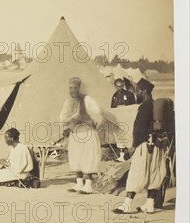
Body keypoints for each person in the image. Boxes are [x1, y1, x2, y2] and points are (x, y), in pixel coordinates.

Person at [113, 78, 168, 214]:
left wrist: (133, 146)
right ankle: (149, 205)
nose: (136, 93)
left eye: (138, 90)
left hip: (144, 145)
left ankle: (126, 205)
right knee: (154, 174)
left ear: (143, 91)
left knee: (137, 172)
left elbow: (140, 129)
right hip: (157, 145)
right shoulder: (156, 106)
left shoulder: (144, 106)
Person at [60, 76, 103, 194]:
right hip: (76, 133)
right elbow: (63, 118)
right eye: (70, 87)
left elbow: (97, 114)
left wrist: (84, 118)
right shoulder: (69, 102)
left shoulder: (87, 100)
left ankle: (88, 184)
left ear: (81, 88)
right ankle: (79, 183)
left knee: (87, 157)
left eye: (75, 87)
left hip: (87, 133)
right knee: (76, 156)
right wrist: (73, 119)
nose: (73, 90)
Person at [110, 77, 137, 161]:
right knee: (119, 136)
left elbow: (134, 107)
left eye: (121, 86)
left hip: (128, 118)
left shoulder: (130, 94)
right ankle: (121, 156)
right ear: (115, 86)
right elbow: (112, 108)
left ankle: (130, 154)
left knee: (129, 134)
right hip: (119, 118)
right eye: (118, 86)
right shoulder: (114, 95)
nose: (120, 88)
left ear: (124, 85)